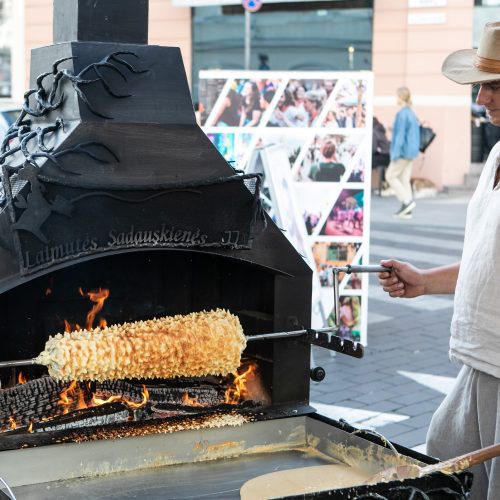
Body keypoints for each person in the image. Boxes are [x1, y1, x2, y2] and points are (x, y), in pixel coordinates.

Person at [378, 21, 500, 500]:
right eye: (479, 85)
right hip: (478, 358)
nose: (481, 99)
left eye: (492, 85)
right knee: (441, 468)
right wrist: (423, 281)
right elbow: (483, 260)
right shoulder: (495, 157)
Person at [385, 86, 420, 219]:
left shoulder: (402, 114)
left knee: (390, 176)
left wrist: (394, 154)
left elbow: (400, 136)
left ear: (400, 97)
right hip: (411, 152)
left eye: (397, 95)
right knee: (404, 179)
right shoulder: (411, 113)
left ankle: (407, 202)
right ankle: (407, 211)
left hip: (403, 152)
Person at [372, 117, 391, 195]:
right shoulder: (381, 130)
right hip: (388, 157)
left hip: (383, 156)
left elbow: (373, 148)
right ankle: (383, 184)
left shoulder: (374, 132)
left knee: (367, 163)